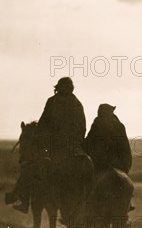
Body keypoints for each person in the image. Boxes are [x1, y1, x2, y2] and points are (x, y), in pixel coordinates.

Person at [5, 77, 87, 212]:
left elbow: (43, 123)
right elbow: (82, 126)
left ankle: (23, 200)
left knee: (30, 165)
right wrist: (77, 141)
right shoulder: (77, 103)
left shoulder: (52, 101)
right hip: (74, 146)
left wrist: (43, 137)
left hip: (53, 145)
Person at [84, 104, 132, 174]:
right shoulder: (120, 125)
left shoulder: (98, 122)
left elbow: (89, 140)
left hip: (103, 163)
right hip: (123, 166)